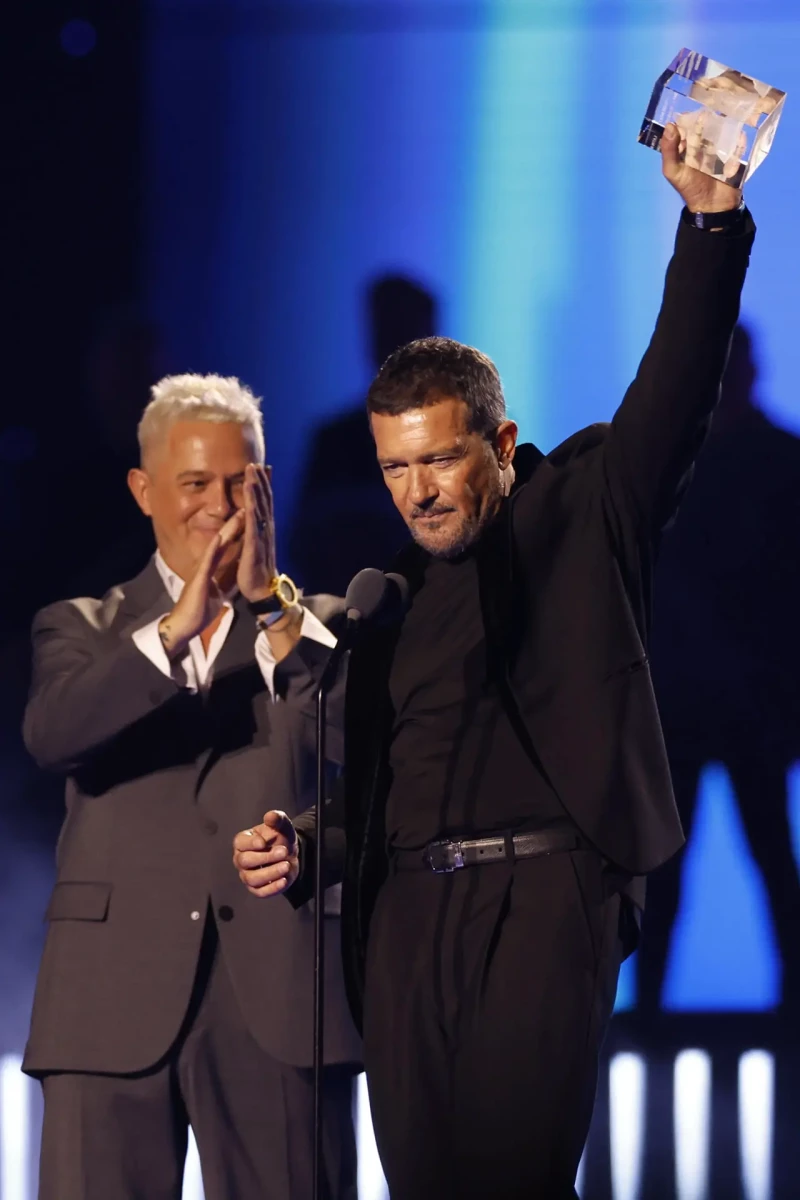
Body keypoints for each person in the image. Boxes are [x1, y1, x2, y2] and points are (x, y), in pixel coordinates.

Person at [234, 125, 757, 1198]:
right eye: (395, 469)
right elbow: (398, 780)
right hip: (407, 925)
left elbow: (675, 382)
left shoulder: (583, 509)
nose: (417, 490)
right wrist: (309, 843)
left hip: (540, 899)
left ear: (501, 445)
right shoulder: (389, 596)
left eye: (437, 460)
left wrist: (707, 224)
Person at [22, 374, 361, 1200]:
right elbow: (54, 734)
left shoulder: (318, 627)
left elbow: (363, 748)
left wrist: (268, 608)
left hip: (278, 1005)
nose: (218, 506)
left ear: (267, 489)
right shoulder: (83, 626)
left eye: (239, 483)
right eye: (194, 484)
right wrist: (175, 632)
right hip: (108, 1002)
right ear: (144, 491)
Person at [639, 324, 800, 1013]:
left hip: (714, 699)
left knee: (692, 866)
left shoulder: (677, 461)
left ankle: (648, 1013)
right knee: (759, 858)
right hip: (722, 699)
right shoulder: (775, 459)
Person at [288, 273, 437, 594]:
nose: (396, 349)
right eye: (388, 330)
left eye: (406, 333)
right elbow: (302, 544)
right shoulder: (332, 441)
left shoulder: (466, 440)